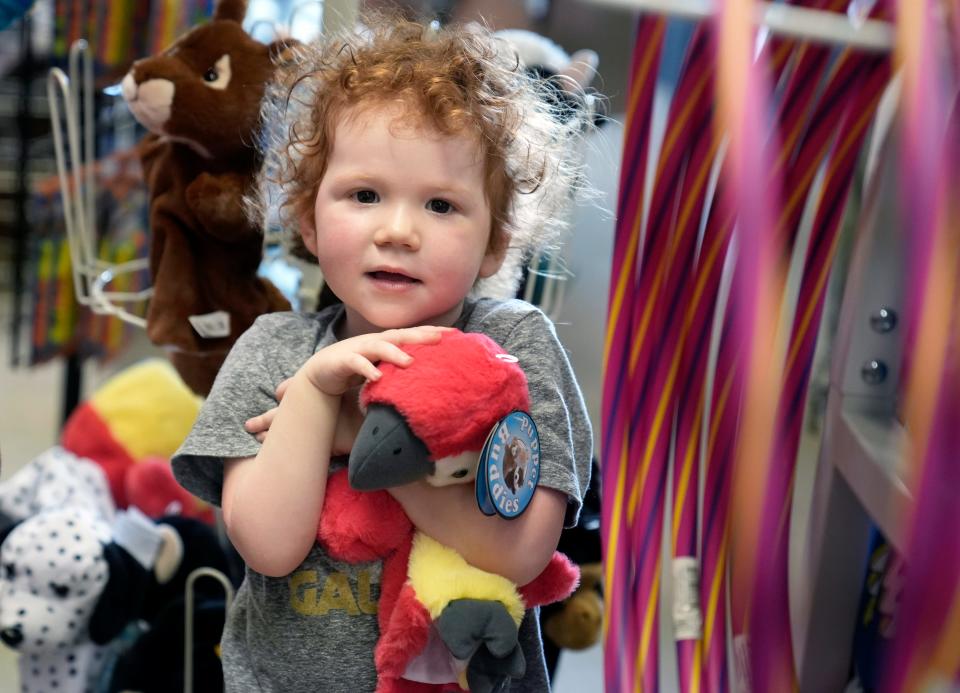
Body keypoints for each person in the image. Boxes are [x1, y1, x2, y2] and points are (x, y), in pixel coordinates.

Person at [172, 14, 593, 692]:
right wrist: (313, 396)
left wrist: (372, 446)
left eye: (441, 205)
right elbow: (269, 548)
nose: (398, 231)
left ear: (495, 241)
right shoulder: (275, 352)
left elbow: (518, 551)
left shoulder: (513, 349)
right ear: (308, 215)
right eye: (364, 195)